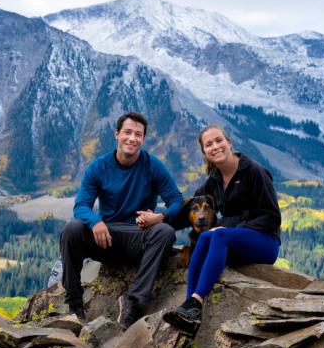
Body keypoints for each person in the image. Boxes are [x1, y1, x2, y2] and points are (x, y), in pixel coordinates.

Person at [60, 112, 183, 329]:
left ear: (143, 139)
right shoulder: (98, 167)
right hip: (106, 239)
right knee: (71, 229)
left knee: (165, 232)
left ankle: (133, 305)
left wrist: (160, 217)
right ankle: (75, 305)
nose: (132, 138)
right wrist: (95, 222)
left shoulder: (153, 165)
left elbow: (176, 199)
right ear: (117, 134)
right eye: (127, 132)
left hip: (139, 237)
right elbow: (81, 206)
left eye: (138, 134)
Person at [163, 125, 281, 330]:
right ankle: (189, 307)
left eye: (219, 141)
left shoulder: (254, 172)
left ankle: (196, 301)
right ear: (204, 152)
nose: (215, 146)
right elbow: (187, 212)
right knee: (206, 237)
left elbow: (272, 218)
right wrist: (159, 221)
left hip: (265, 241)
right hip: (235, 239)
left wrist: (228, 227)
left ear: (229, 143)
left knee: (218, 236)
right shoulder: (214, 181)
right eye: (209, 144)